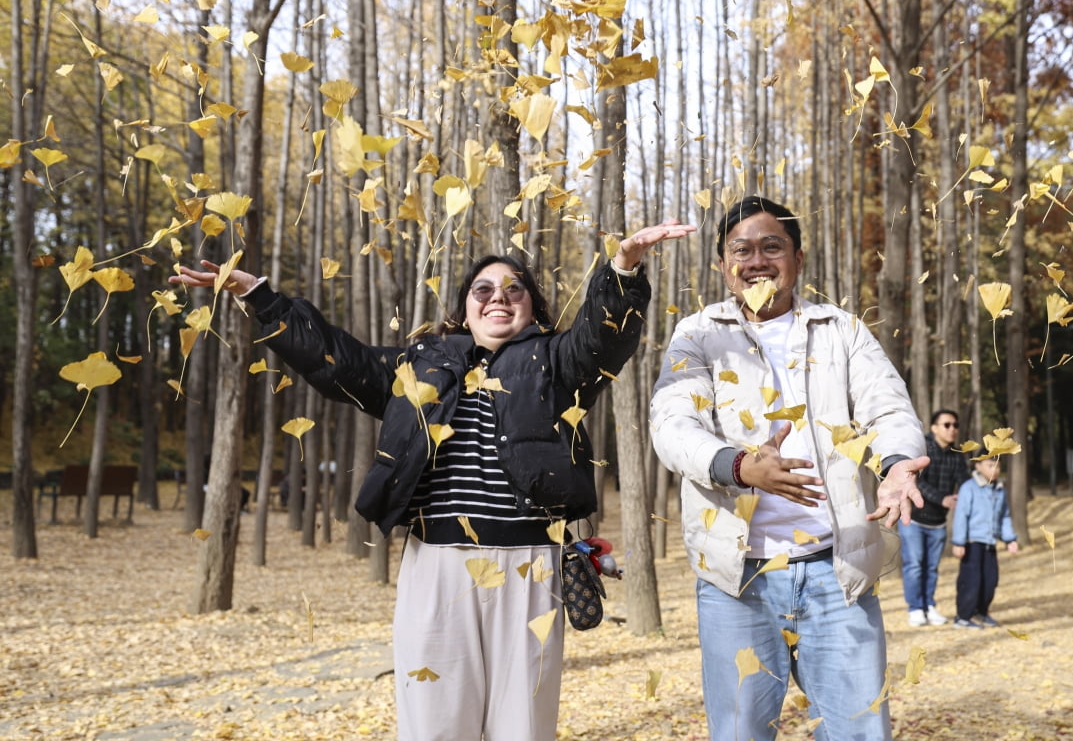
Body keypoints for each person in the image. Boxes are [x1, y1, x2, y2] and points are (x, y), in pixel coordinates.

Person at [170, 218, 694, 741]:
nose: (499, 297)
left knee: (523, 729)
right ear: (465, 307)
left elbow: (602, 340)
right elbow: (335, 360)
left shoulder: (556, 362)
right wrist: (261, 297)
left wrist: (623, 269)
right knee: (435, 725)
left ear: (532, 306)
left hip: (530, 570)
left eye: (515, 289)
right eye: (483, 289)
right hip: (437, 567)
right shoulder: (420, 367)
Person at [649, 196, 929, 741]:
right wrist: (738, 466)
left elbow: (887, 406)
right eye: (741, 250)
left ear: (797, 259)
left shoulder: (839, 330)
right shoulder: (697, 334)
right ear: (722, 266)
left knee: (859, 732)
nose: (756, 260)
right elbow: (671, 425)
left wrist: (896, 463)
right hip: (739, 580)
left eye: (771, 246)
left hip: (835, 572)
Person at [900, 409, 971, 626]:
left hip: (938, 523)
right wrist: (943, 499)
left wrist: (976, 490)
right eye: (947, 425)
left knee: (931, 567)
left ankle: (929, 606)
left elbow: (965, 483)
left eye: (955, 425)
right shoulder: (922, 450)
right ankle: (915, 609)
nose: (952, 429)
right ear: (934, 428)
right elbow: (916, 482)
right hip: (914, 520)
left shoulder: (957, 455)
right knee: (914, 565)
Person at [951, 456, 1020, 629]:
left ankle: (981, 612)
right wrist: (959, 542)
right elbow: (961, 516)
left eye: (998, 466)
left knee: (990, 580)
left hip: (990, 543)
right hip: (972, 543)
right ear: (978, 465)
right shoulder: (969, 488)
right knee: (971, 581)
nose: (995, 470)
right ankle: (963, 617)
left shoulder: (1000, 490)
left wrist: (1009, 539)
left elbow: (1004, 516)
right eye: (990, 465)